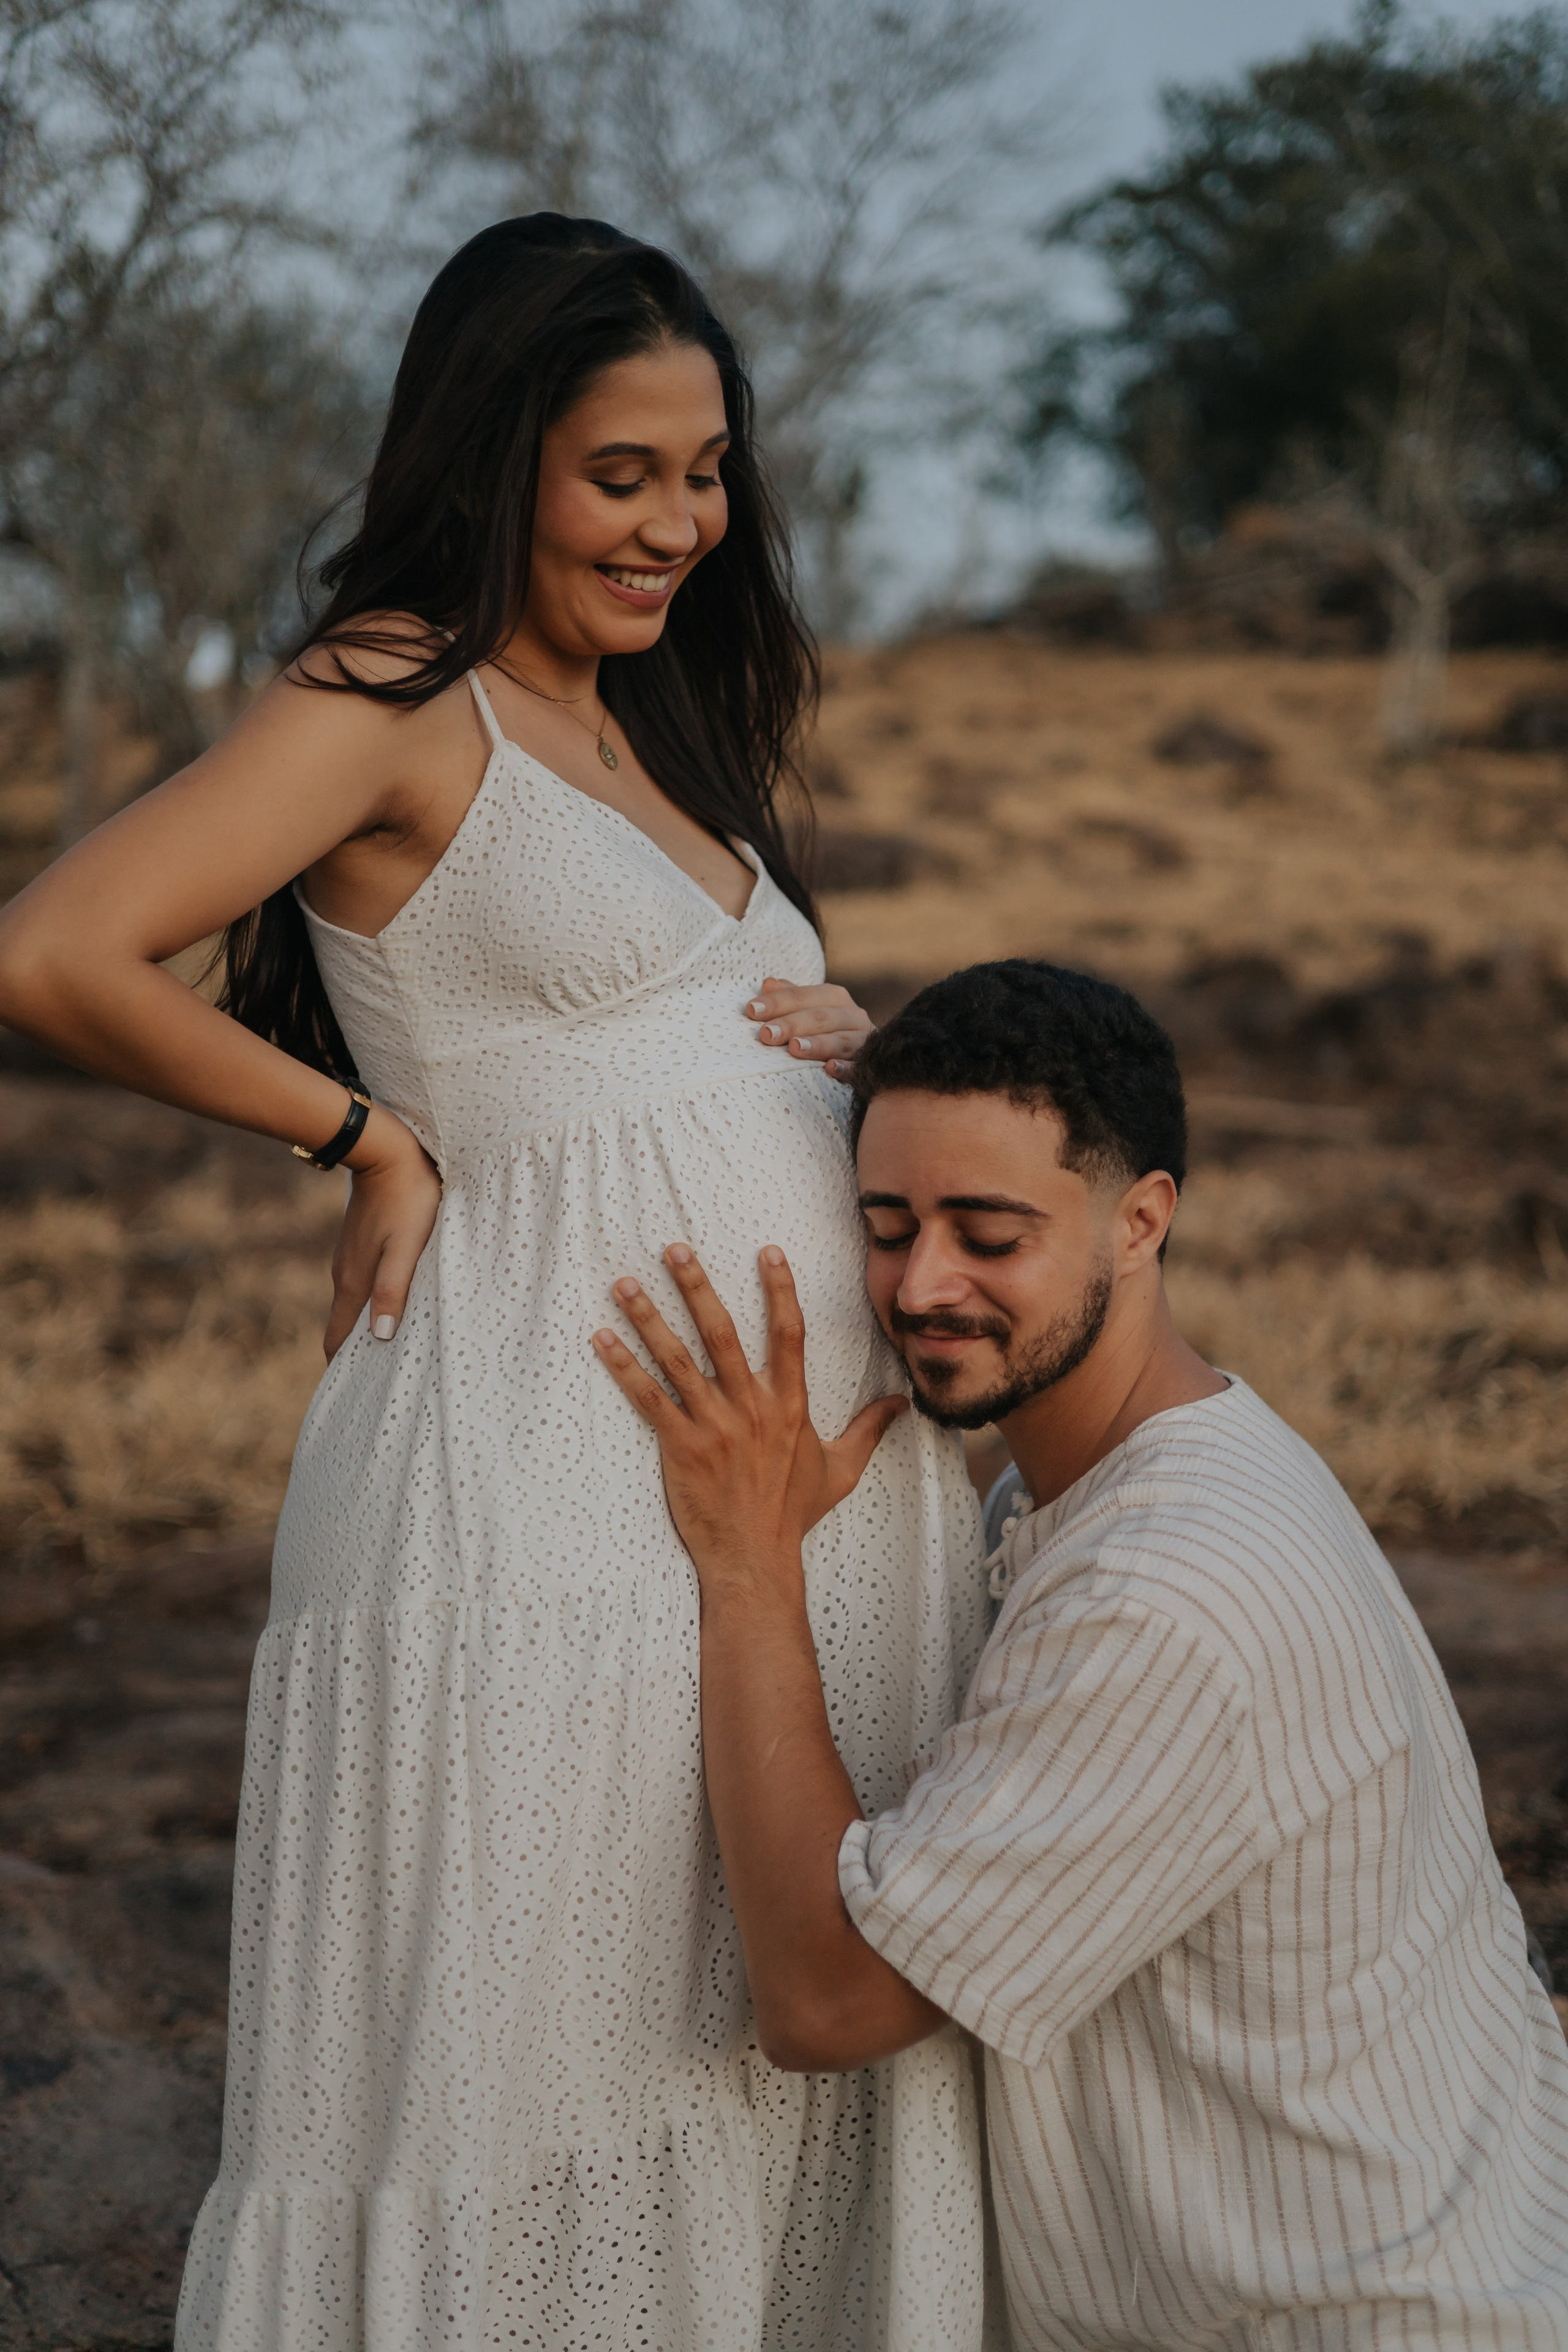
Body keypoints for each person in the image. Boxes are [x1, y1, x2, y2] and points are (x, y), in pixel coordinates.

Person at [0, 218, 992, 2350]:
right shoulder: (390, 692)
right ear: (494, 454)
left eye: (704, 473)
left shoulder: (654, 723)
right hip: (560, 1487)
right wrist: (360, 1136)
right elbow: (56, 952)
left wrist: (845, 1048)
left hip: (808, 1507)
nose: (678, 525)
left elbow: (652, 1037)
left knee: (767, 2036)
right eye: (620, 474)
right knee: (571, 2028)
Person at [595, 957, 1568, 2351]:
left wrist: (749, 1568)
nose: (921, 1285)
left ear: (1142, 1221)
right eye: (887, 1225)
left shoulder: (1163, 1593)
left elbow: (826, 2001)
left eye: (988, 1235)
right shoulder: (1132, 1477)